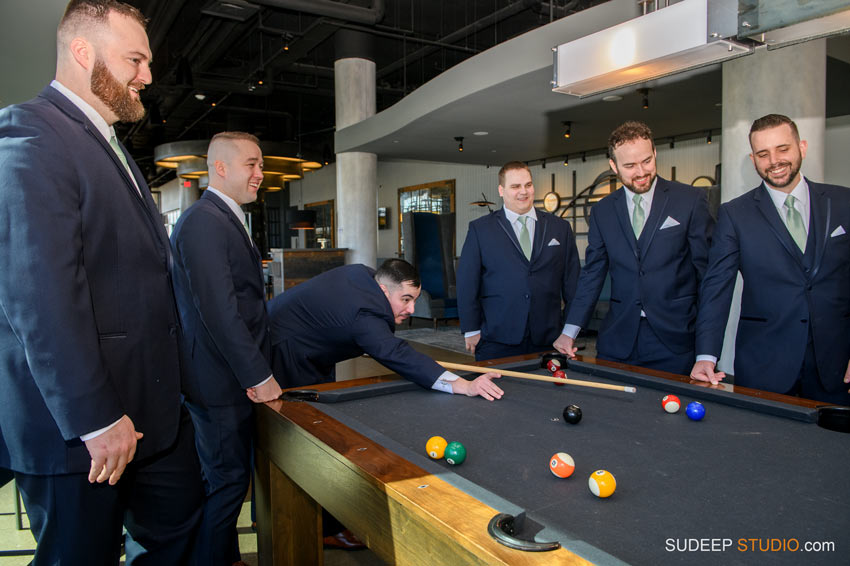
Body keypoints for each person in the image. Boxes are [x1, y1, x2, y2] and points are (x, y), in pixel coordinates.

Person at [0, 1, 202, 564]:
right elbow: (39, 298)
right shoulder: (30, 135)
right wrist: (95, 418)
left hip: (152, 417)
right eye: (135, 59)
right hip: (84, 433)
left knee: (182, 531)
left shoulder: (110, 146)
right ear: (83, 53)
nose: (148, 76)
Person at [170, 132, 283, 566]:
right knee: (228, 482)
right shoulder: (204, 221)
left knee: (230, 478)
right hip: (217, 381)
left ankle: (227, 556)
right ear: (220, 168)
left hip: (227, 376)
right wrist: (260, 376)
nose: (260, 174)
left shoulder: (224, 217)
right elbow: (219, 311)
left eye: (260, 165)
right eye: (251, 165)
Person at [691, 114, 850, 404]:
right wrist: (706, 355)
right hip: (764, 364)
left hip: (837, 364)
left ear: (801, 147)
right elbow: (716, 288)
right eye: (763, 154)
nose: (774, 160)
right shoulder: (734, 214)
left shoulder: (844, 202)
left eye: (783, 149)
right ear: (753, 160)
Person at [554, 121, 713, 375]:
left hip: (676, 342)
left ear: (655, 154)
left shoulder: (691, 201)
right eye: (629, 166)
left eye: (647, 161)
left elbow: (709, 279)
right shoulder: (602, 211)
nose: (641, 172)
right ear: (614, 166)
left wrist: (707, 352)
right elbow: (592, 275)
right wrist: (569, 332)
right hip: (617, 341)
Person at [268, 259, 503, 400]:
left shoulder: (365, 274)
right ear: (383, 290)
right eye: (406, 299)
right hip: (282, 346)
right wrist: (464, 385)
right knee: (295, 419)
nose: (411, 309)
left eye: (415, 300)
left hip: (313, 344)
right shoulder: (365, 316)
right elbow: (397, 354)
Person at [457, 161, 580, 361]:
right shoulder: (480, 230)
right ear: (501, 190)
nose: (523, 192)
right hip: (496, 338)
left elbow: (573, 285)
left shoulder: (560, 228)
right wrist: (471, 329)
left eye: (528, 185)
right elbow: (467, 283)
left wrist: (570, 331)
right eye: (515, 186)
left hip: (549, 338)